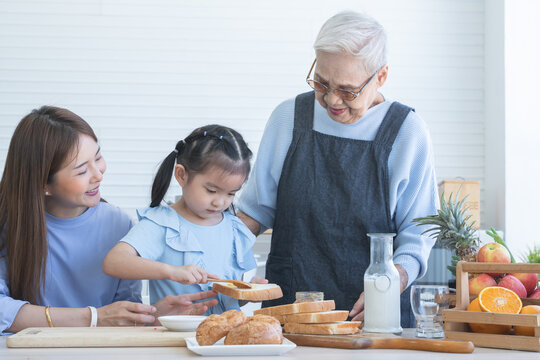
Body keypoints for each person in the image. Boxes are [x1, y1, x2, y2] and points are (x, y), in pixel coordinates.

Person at [236, 11, 438, 327]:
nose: (332, 100)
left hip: (374, 319)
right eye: (322, 82)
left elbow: (418, 234)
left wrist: (389, 284)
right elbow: (254, 213)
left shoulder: (407, 133)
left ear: (381, 76)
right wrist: (208, 256)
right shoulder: (288, 118)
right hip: (290, 316)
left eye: (347, 90)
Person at [0, 106, 218, 335]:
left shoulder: (119, 225)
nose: (98, 174)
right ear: (44, 183)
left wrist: (152, 316)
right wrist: (93, 317)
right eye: (81, 170)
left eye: (98, 157)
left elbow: (119, 315)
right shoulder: (9, 224)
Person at [103, 125, 264, 315]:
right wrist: (171, 271)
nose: (220, 202)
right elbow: (114, 262)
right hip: (174, 339)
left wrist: (247, 293)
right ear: (181, 175)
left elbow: (229, 302)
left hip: (225, 340)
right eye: (211, 190)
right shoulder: (162, 223)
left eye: (231, 193)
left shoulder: (236, 230)